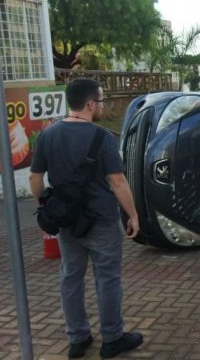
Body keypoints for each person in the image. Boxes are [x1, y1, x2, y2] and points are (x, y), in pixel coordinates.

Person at [28, 78, 144, 359]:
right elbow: (117, 182)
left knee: (71, 277)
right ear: (91, 104)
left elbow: (35, 178)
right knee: (107, 279)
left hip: (69, 222)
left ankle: (78, 339)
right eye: (101, 100)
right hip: (102, 220)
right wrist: (133, 214)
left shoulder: (48, 134)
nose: (102, 105)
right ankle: (112, 338)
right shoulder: (102, 137)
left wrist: (46, 203)